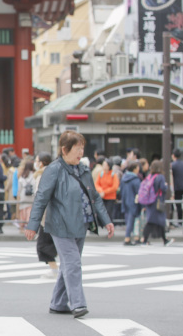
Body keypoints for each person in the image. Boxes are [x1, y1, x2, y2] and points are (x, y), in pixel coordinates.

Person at [25, 131, 115, 318]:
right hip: (60, 226)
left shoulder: (84, 170)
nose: (81, 151)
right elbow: (41, 198)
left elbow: (95, 198)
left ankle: (58, 303)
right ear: (65, 150)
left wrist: (107, 221)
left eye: (82, 147)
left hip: (81, 224)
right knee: (73, 263)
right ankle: (78, 304)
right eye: (77, 148)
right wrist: (32, 225)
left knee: (69, 264)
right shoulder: (54, 170)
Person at [32, 152, 58, 279]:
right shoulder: (54, 172)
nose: (35, 163)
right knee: (55, 243)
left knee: (43, 245)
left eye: (37, 160)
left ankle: (55, 270)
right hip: (55, 215)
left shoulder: (41, 175)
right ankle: (57, 269)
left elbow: (40, 198)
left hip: (46, 216)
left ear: (41, 163)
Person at [138, 160, 173, 247]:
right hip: (157, 201)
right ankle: (145, 239)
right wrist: (166, 185)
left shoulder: (150, 176)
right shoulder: (160, 177)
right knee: (155, 221)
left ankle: (164, 240)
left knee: (156, 221)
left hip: (150, 201)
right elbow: (163, 188)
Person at [120, 162, 141, 246]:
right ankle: (127, 238)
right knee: (131, 220)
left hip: (125, 200)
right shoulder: (135, 179)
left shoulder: (124, 178)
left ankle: (129, 237)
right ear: (135, 169)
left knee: (128, 219)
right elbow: (139, 192)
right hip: (133, 201)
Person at [171, 148, 183, 225]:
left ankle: (179, 221)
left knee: (178, 205)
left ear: (173, 156)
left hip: (176, 188)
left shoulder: (172, 165)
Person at [94, 158, 118, 223]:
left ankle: (110, 228)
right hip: (102, 196)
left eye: (105, 165)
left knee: (109, 213)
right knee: (101, 211)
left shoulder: (113, 175)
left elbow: (115, 187)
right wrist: (101, 191)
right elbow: (96, 184)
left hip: (110, 197)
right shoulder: (101, 174)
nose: (103, 166)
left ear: (109, 166)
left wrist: (104, 192)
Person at [16, 155, 36, 230]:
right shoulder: (34, 175)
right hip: (31, 197)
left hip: (23, 197)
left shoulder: (22, 176)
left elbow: (19, 188)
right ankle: (29, 227)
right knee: (30, 212)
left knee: (23, 212)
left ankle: (22, 227)